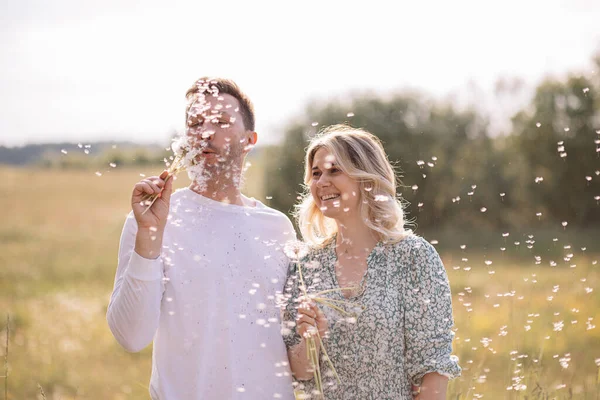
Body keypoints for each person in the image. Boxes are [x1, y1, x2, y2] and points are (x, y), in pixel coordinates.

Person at [107, 77, 296, 400]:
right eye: (195, 122)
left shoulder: (277, 227)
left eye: (222, 122)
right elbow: (131, 337)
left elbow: (294, 344)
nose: (205, 132)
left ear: (250, 139)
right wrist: (150, 237)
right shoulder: (155, 220)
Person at [282, 124, 461, 399]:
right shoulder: (305, 265)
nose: (321, 182)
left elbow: (433, 368)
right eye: (315, 174)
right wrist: (311, 340)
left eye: (334, 170)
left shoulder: (414, 257)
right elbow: (301, 373)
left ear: (366, 179)